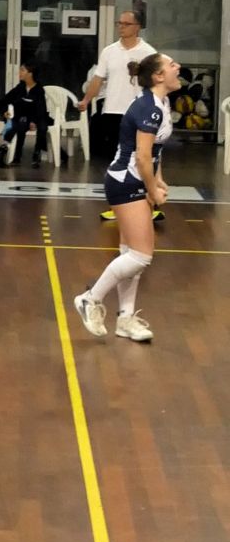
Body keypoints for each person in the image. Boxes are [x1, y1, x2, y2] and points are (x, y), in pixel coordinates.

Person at [74, 52, 179, 344]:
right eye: (171, 65)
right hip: (126, 182)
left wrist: (158, 179)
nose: (178, 67)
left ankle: (125, 319)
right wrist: (152, 189)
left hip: (137, 180)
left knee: (129, 254)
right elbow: (142, 157)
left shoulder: (161, 103)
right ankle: (90, 298)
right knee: (141, 256)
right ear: (159, 76)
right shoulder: (149, 108)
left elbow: (155, 150)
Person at [78, 10, 156, 220]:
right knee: (116, 161)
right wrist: (86, 100)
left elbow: (155, 83)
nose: (121, 27)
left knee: (141, 160)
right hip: (112, 112)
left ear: (137, 27)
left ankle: (149, 205)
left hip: (138, 113)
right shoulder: (109, 51)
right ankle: (117, 206)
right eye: (119, 23)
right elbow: (98, 79)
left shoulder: (148, 52)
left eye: (126, 23)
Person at [2, 60, 50, 167]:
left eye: (22, 70)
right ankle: (17, 156)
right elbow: (6, 100)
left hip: (38, 116)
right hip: (23, 116)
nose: (19, 72)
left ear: (30, 74)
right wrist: (5, 111)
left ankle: (37, 154)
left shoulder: (39, 90)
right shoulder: (20, 87)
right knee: (21, 125)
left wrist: (34, 121)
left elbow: (41, 109)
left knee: (43, 127)